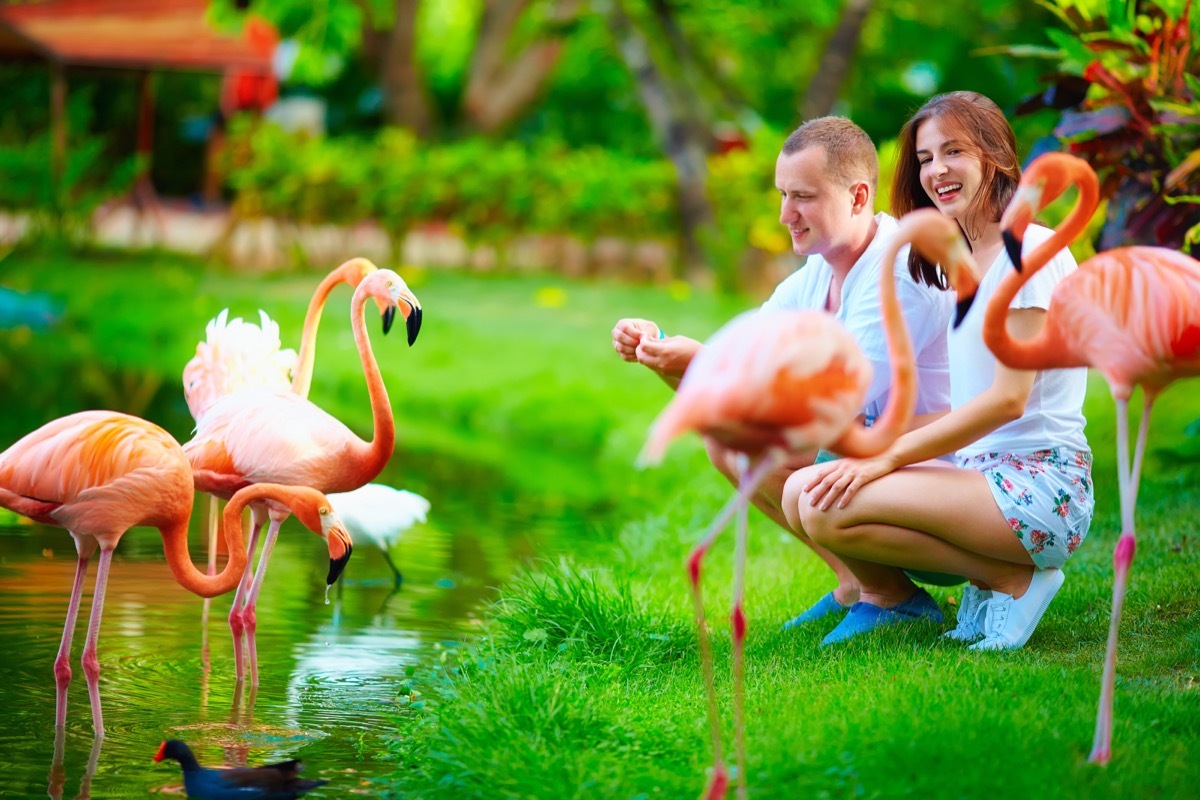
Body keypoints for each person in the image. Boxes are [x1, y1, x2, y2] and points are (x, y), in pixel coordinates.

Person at [612, 116, 954, 626]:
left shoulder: (900, 270)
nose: (785, 214)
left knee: (791, 444)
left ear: (858, 197)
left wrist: (702, 364)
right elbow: (743, 366)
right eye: (782, 195)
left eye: (803, 197)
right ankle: (858, 584)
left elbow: (832, 404)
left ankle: (892, 600)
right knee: (728, 442)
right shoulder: (821, 268)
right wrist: (659, 349)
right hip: (872, 461)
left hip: (942, 477)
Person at [782, 91, 1094, 649]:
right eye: (925, 158)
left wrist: (889, 458)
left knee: (825, 506)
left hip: (1040, 486)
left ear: (994, 156)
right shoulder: (959, 265)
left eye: (954, 152)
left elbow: (1007, 401)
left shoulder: (1030, 253)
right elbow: (965, 401)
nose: (937, 171)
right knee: (805, 490)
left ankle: (1012, 579)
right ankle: (990, 581)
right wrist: (867, 441)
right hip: (981, 474)